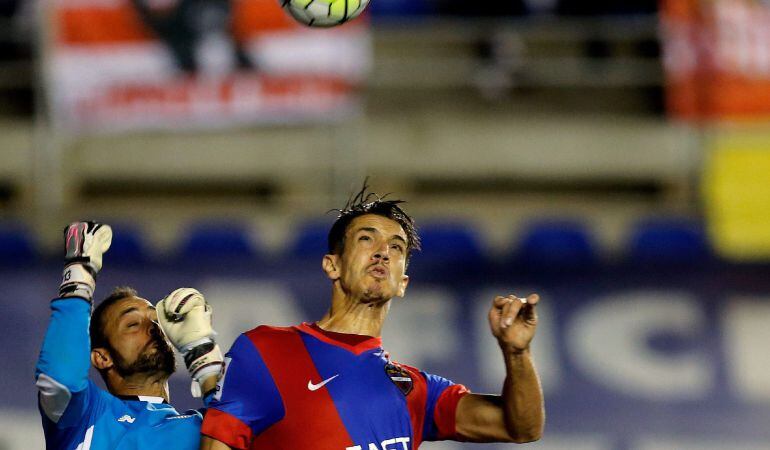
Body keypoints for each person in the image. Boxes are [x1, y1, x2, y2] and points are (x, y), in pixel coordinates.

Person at [200, 185, 545, 449]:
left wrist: (517, 353)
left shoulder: (417, 391)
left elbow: (522, 428)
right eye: (367, 239)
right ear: (332, 265)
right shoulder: (265, 350)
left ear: (403, 283)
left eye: (396, 247)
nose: (383, 252)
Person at [35, 221, 225, 449]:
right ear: (102, 357)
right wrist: (78, 276)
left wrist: (203, 355)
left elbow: (238, 428)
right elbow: (60, 379)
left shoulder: (203, 428)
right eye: (133, 324)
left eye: (156, 321)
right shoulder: (85, 417)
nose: (153, 327)